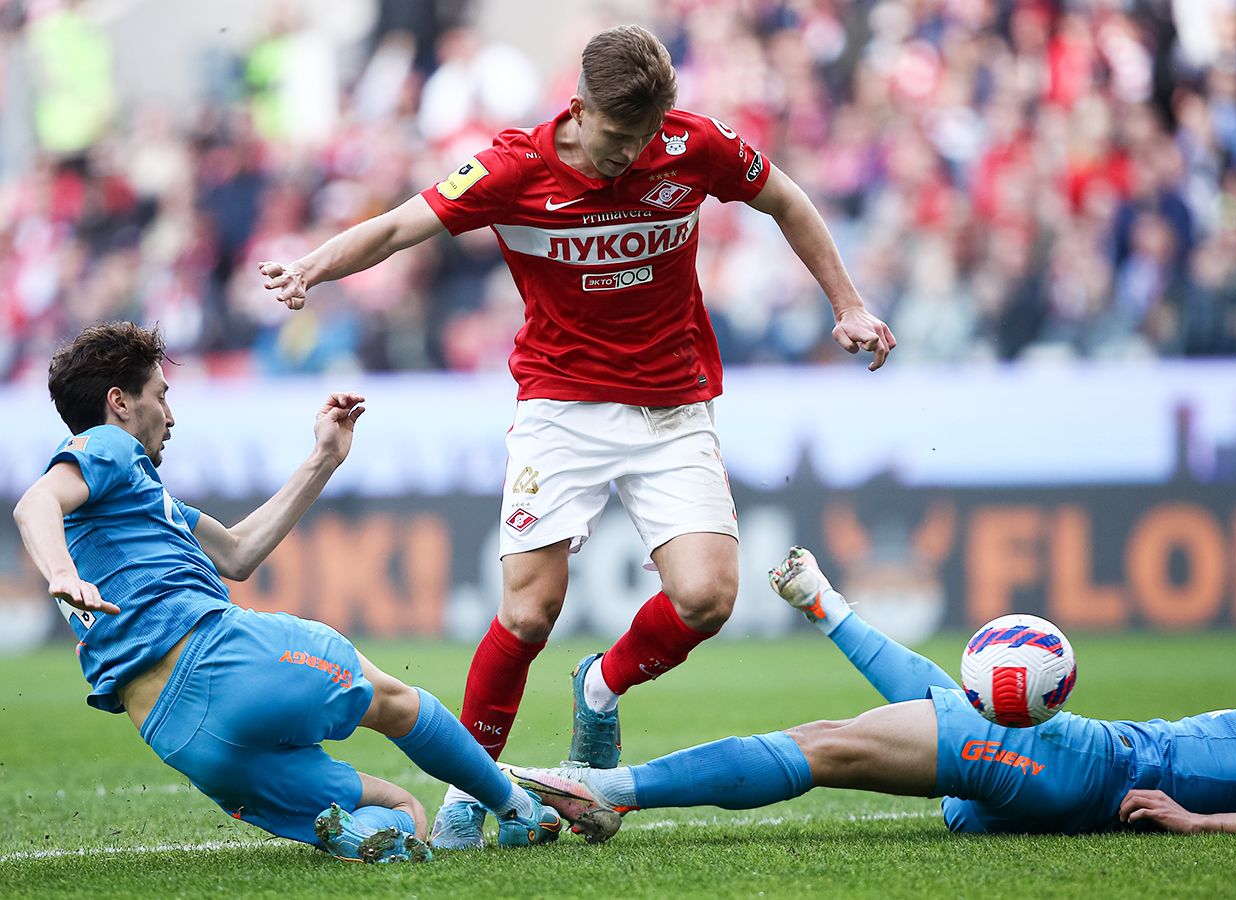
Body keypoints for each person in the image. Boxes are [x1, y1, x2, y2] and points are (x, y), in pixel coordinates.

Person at [257, 24, 897, 848]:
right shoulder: (512, 168)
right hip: (560, 409)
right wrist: (310, 265)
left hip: (672, 408)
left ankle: (600, 686)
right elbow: (396, 227)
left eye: (644, 138)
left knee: (706, 599)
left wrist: (846, 302)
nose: (631, 155)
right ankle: (472, 792)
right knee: (528, 615)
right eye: (616, 137)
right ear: (579, 107)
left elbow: (787, 200)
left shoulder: (691, 145)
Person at [11, 322, 562, 863]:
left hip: (179, 737)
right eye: (161, 395)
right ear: (120, 402)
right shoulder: (106, 445)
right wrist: (60, 572)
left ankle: (359, 834)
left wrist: (323, 458)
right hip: (221, 660)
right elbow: (34, 503)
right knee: (397, 702)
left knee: (399, 810)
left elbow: (237, 553)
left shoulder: (132, 499)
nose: (171, 416)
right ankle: (520, 809)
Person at [503, 547, 1236, 839]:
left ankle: (612, 793)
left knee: (826, 742)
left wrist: (1200, 822)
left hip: (1084, 769)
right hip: (1065, 765)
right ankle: (831, 610)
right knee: (957, 703)